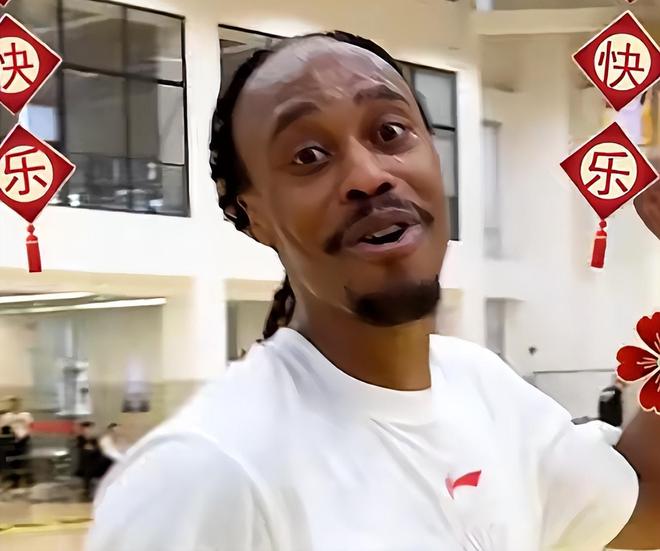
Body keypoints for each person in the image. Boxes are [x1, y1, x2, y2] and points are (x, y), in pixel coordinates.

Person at [88, 32, 660, 551]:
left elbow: (642, 509)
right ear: (253, 214)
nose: (368, 175)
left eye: (389, 133)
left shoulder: (481, 388)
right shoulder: (203, 475)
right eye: (308, 156)